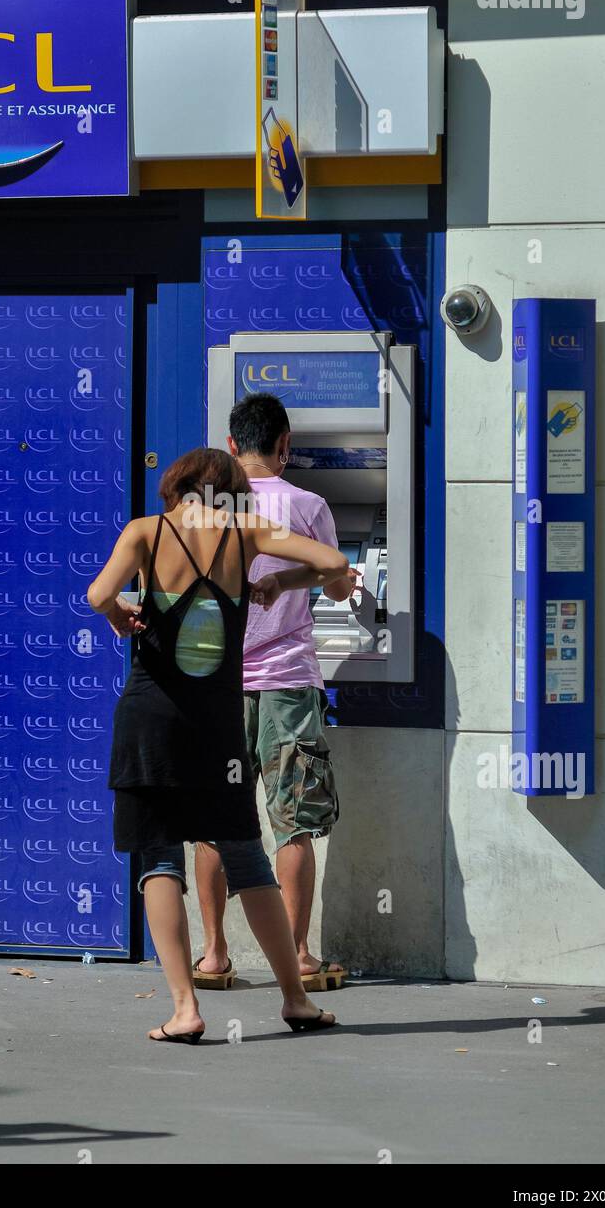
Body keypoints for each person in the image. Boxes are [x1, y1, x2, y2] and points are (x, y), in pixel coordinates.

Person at [86, 445, 351, 1043]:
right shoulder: (247, 532)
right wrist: (284, 580)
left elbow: (98, 595)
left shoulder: (145, 533)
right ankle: (294, 1000)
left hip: (149, 720)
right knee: (248, 859)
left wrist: (121, 616)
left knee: (158, 859)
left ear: (178, 487)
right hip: (218, 728)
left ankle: (185, 1009)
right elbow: (334, 561)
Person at [194, 394, 357, 992]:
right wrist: (341, 580)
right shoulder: (309, 505)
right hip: (289, 681)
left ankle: (213, 957)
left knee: (213, 819)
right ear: (285, 446)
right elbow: (339, 587)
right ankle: (298, 958)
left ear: (233, 447)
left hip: (217, 687)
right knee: (294, 824)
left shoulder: (210, 511)